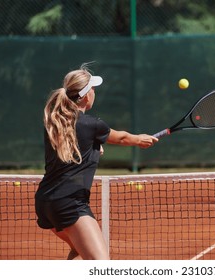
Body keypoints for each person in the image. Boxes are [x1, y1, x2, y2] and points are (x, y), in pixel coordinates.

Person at [35, 64, 158, 260]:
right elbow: (122, 138)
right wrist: (140, 139)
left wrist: (93, 146)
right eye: (92, 88)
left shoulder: (55, 123)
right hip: (70, 204)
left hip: (45, 203)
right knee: (102, 266)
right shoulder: (92, 125)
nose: (94, 92)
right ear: (85, 96)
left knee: (79, 253)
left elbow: (72, 147)